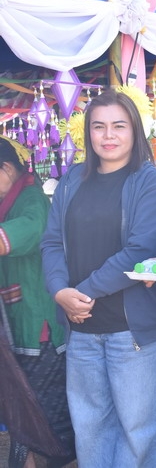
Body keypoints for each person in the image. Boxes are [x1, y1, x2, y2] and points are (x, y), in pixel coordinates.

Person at [40, 88, 156, 468]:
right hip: (82, 331)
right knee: (90, 430)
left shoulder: (149, 182)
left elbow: (140, 250)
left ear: (134, 130)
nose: (108, 135)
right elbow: (51, 242)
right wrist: (59, 291)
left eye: (119, 125)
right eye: (99, 127)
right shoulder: (71, 181)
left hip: (133, 333)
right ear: (88, 133)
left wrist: (80, 294)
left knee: (139, 433)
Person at [0, 137, 75, 468]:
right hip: (16, 322)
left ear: (7, 169)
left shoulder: (32, 198)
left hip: (38, 327)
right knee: (21, 407)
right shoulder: (7, 199)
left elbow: (24, 232)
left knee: (44, 413)